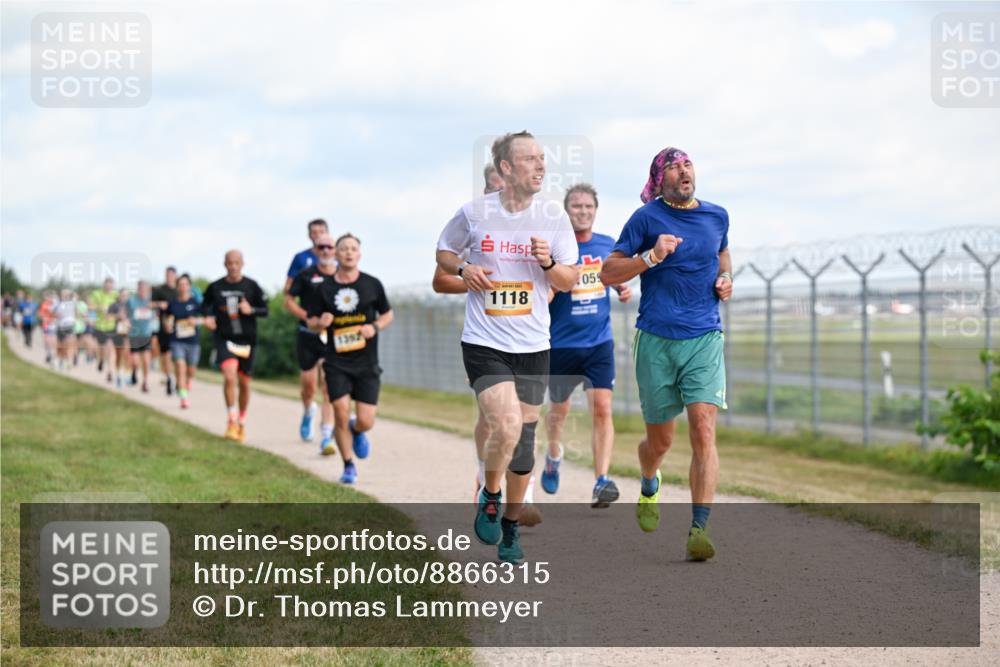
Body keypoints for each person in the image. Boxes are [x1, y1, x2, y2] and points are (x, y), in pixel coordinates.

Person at [436, 131, 579, 563]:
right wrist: (465, 268)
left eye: (542, 159)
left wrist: (549, 263)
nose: (540, 166)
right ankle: (490, 495)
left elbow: (569, 280)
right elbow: (443, 252)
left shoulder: (553, 217)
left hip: (534, 343)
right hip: (483, 341)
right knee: (508, 425)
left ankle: (512, 527)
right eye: (530, 159)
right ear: (505, 168)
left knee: (523, 445)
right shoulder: (475, 213)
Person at [599, 146, 733, 562]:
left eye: (687, 164)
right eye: (673, 167)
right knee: (660, 441)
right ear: (659, 180)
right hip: (656, 338)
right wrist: (651, 256)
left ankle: (699, 528)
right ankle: (649, 477)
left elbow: (722, 251)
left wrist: (726, 276)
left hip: (704, 337)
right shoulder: (646, 219)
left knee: (703, 428)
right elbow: (608, 272)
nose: (683, 171)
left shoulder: (717, 215)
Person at [431, 164, 542, 526]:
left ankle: (522, 494)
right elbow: (440, 281)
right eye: (497, 189)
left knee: (522, 425)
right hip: (485, 339)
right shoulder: (474, 222)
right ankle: (485, 477)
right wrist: (473, 279)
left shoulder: (534, 223)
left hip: (527, 341)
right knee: (495, 420)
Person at [543, 183, 633, 507]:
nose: (582, 212)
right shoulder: (556, 248)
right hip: (561, 345)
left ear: (595, 210)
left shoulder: (608, 245)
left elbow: (615, 276)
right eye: (576, 206)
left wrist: (622, 289)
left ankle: (601, 481)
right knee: (559, 411)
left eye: (588, 207)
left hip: (598, 342)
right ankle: (553, 454)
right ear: (566, 212)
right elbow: (544, 289)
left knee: (602, 408)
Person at [308, 233, 393, 484]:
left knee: (366, 420)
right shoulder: (324, 288)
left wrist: (374, 327)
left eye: (353, 249)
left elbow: (388, 314)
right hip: (336, 361)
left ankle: (358, 430)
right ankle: (348, 465)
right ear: (335, 253)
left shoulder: (371, 284)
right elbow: (311, 320)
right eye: (343, 248)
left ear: (359, 255)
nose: (348, 252)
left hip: (366, 362)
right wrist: (319, 323)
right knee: (340, 412)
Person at [202, 250, 269, 442]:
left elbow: (265, 310)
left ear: (242, 264)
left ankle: (241, 421)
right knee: (229, 375)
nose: (233, 266)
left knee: (245, 383)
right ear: (224, 264)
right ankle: (231, 421)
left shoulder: (252, 286)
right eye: (230, 263)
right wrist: (208, 318)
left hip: (247, 340)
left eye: (236, 263)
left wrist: (252, 310)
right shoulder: (215, 287)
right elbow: (205, 306)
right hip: (225, 338)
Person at [286, 232, 338, 450]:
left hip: (333, 337)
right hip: (308, 335)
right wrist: (307, 317)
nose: (325, 250)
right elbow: (288, 299)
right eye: (321, 247)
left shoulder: (341, 275)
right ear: (315, 250)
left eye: (329, 247)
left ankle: (326, 434)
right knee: (309, 385)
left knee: (329, 385)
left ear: (334, 249)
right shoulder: (306, 274)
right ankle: (308, 411)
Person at [167, 274, 203, 408]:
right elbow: (168, 318)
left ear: (189, 286)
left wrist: (197, 321)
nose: (183, 287)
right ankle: (184, 398)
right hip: (177, 341)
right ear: (177, 287)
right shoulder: (173, 304)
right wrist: (167, 324)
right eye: (180, 284)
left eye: (185, 284)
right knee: (180, 367)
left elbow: (207, 318)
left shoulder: (196, 303)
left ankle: (188, 381)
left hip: (193, 342)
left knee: (191, 369)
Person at [151, 267, 179, 395]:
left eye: (171, 275)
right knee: (167, 353)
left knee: (178, 355)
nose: (169, 277)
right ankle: (169, 378)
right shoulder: (160, 290)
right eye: (167, 275)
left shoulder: (180, 290)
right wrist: (159, 305)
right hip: (164, 325)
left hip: (179, 326)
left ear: (175, 276)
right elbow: (149, 304)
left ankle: (179, 379)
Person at [127, 281, 156, 392]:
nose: (143, 291)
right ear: (138, 289)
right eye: (141, 288)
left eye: (145, 288)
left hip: (147, 334)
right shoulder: (132, 301)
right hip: (134, 334)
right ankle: (134, 371)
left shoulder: (152, 300)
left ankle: (145, 382)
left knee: (146, 359)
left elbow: (157, 312)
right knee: (135, 361)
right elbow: (127, 314)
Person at [89, 278, 118, 382]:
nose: (109, 287)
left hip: (111, 327)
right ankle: (101, 360)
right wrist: (100, 307)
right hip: (100, 326)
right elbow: (90, 306)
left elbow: (120, 307)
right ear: (104, 285)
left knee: (111, 349)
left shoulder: (116, 295)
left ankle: (110, 372)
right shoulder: (97, 294)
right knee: (102, 349)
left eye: (111, 285)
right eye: (107, 284)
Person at [107, 288, 132, 387]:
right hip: (117, 332)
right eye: (122, 295)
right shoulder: (114, 305)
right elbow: (108, 317)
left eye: (126, 295)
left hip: (128, 332)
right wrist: (118, 316)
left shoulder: (131, 305)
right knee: (119, 354)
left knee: (127, 353)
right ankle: (118, 375)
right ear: (119, 295)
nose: (124, 297)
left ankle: (128, 375)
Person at [53, 289, 79, 371]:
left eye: (66, 295)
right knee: (61, 346)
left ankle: (69, 361)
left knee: (69, 344)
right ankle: (61, 360)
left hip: (70, 326)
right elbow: (56, 314)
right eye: (63, 295)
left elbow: (75, 296)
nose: (64, 296)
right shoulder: (58, 304)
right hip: (60, 327)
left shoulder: (72, 303)